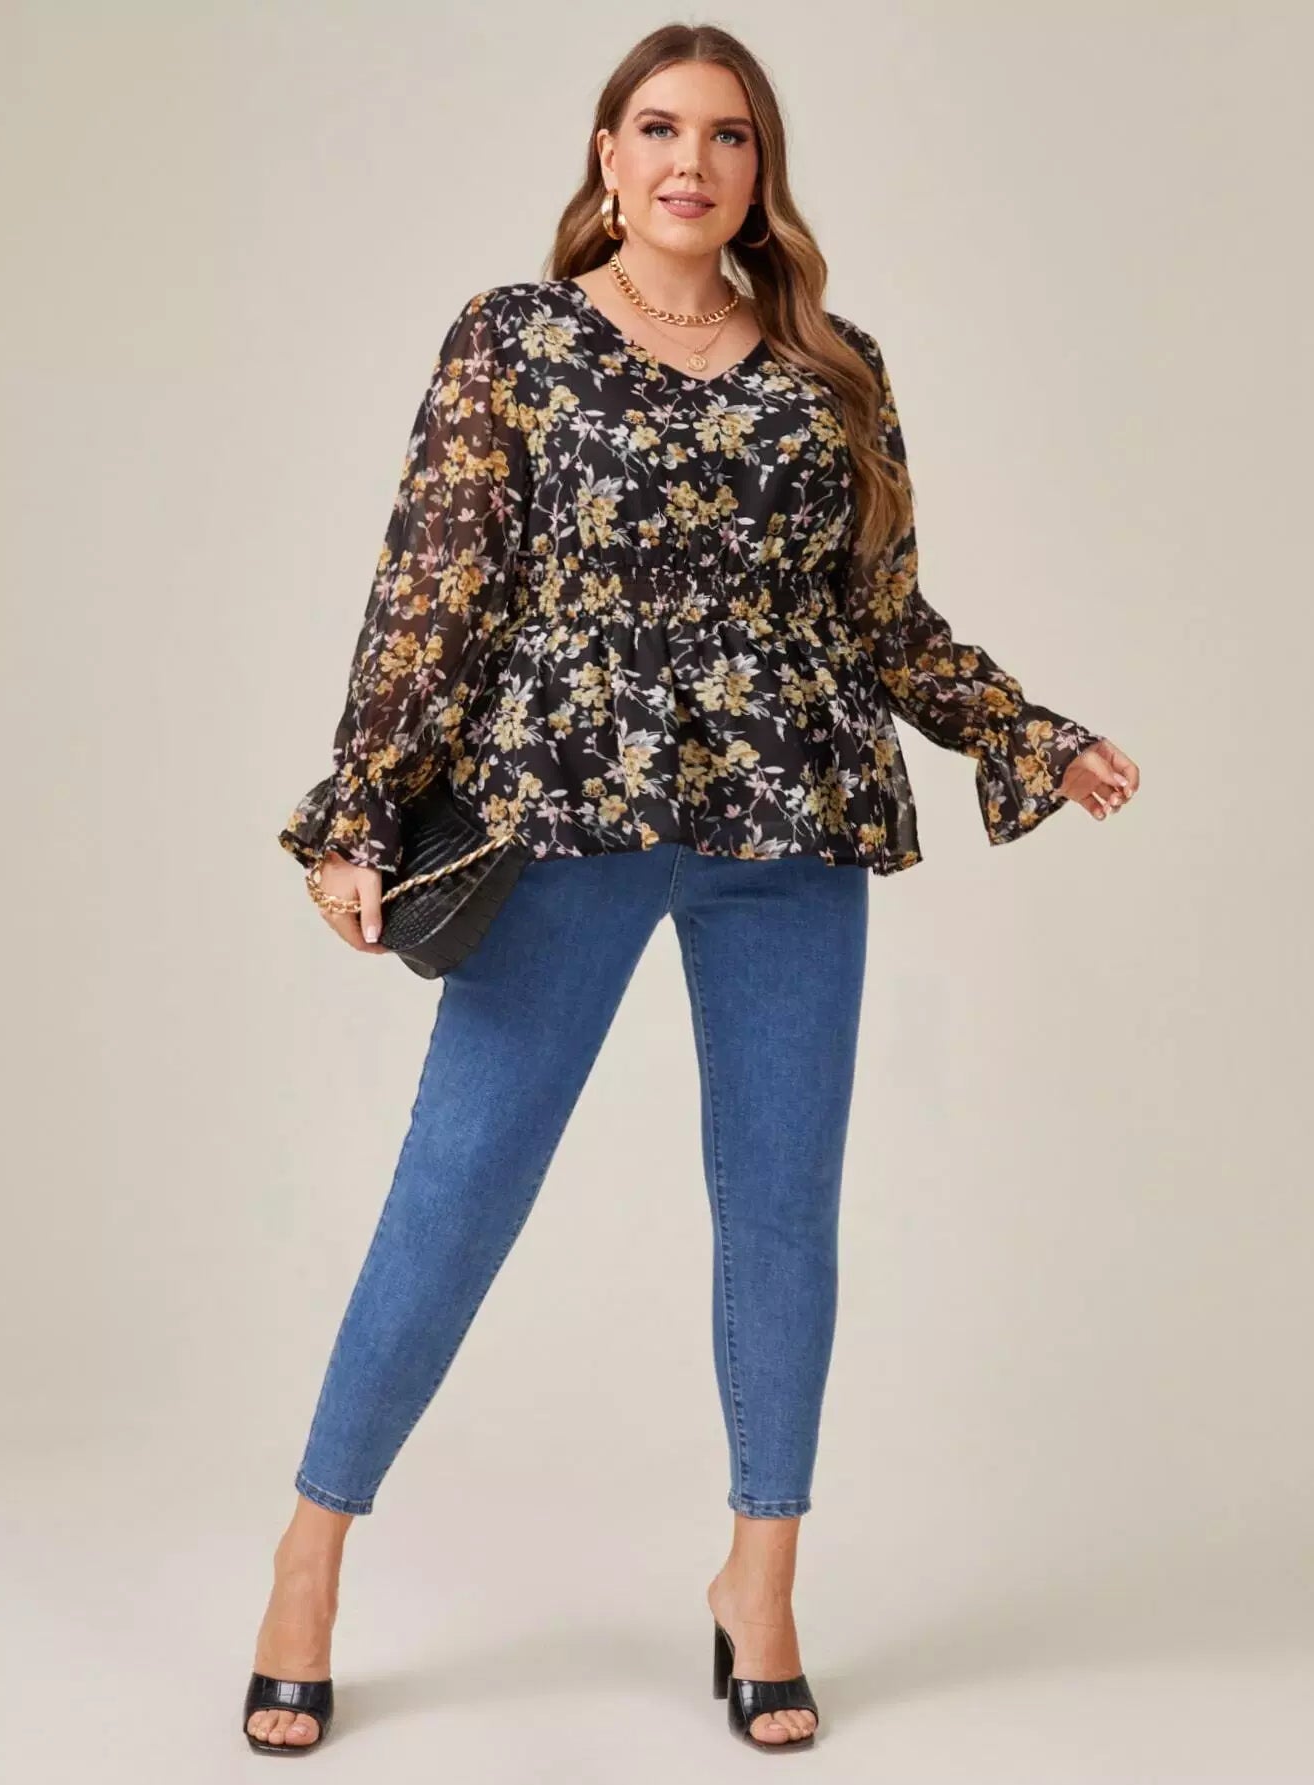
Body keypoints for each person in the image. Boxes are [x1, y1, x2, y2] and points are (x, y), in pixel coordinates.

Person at [244, 21, 1139, 1757]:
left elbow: (884, 619)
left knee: (783, 1211)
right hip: (566, 815)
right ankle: (310, 1550)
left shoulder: (836, 369)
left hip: (790, 819)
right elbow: (433, 587)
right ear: (607, 156)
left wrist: (1028, 731)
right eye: (658, 128)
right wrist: (359, 812)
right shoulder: (514, 338)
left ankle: (761, 1581)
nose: (691, 162)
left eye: (727, 136)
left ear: (759, 170)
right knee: (455, 1194)